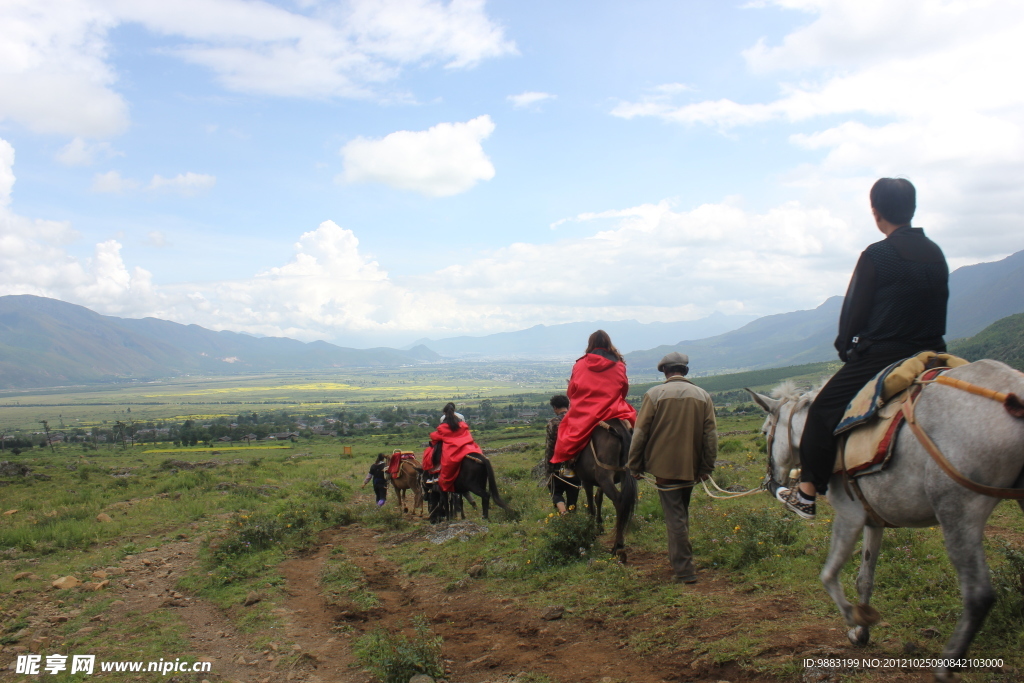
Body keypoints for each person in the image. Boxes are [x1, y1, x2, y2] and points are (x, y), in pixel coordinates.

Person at [776, 178, 949, 520]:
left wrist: (846, 347)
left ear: (875, 212)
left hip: (887, 355)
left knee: (823, 410)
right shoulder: (936, 253)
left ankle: (807, 493)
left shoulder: (878, 254)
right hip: (934, 353)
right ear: (912, 209)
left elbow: (854, 311)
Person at [627, 352, 717, 584]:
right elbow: (710, 436)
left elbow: (640, 433)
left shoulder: (654, 394)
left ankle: (685, 570)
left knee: (675, 516)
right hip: (692, 467)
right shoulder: (703, 396)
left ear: (665, 371)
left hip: (664, 468)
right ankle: (682, 561)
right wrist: (706, 466)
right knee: (681, 512)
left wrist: (634, 465)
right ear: (684, 371)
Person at [552, 330, 637, 476]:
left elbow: (572, 390)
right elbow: (623, 388)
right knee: (636, 426)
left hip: (586, 409)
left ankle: (569, 465)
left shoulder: (580, 364)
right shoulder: (619, 364)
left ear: (590, 344)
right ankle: (640, 462)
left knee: (565, 430)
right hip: (613, 408)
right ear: (609, 343)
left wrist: (578, 400)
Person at [429, 402, 483, 493]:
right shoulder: (461, 417)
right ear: (454, 409)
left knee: (436, 451)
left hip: (449, 442)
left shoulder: (442, 418)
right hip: (463, 440)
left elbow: (441, 433)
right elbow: (464, 429)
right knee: (473, 447)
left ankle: (436, 472)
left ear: (444, 412)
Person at [545, 394, 578, 514]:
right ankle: (572, 515)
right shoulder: (577, 420)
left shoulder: (553, 423)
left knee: (556, 492)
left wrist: (548, 469)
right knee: (573, 492)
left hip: (557, 465)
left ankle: (563, 513)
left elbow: (550, 447)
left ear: (555, 407)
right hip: (575, 465)